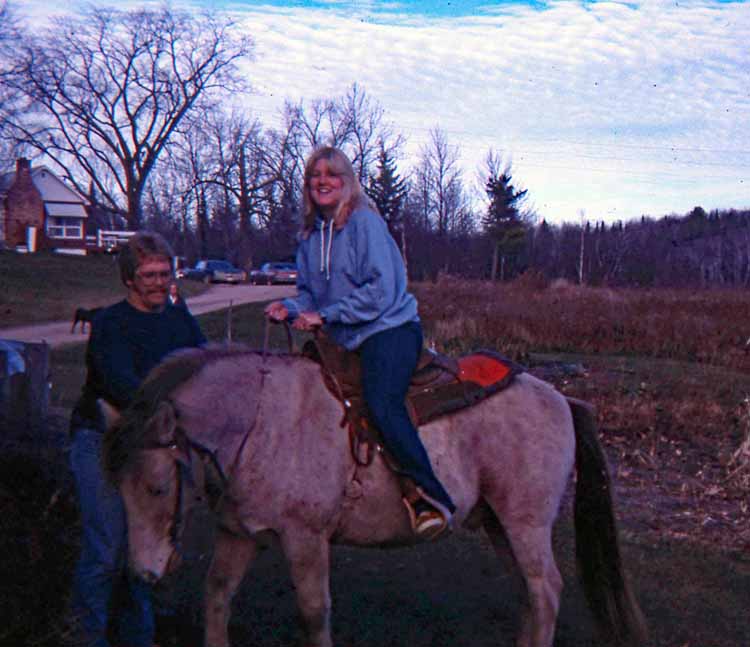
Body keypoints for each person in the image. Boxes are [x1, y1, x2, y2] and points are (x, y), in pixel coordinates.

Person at [265, 146, 455, 540]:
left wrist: (327, 316)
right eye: (315, 174)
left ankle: (428, 495)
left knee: (382, 402)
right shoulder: (309, 236)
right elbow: (309, 296)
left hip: (388, 329)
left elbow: (381, 291)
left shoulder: (365, 223)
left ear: (347, 182)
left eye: (332, 174)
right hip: (345, 335)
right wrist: (289, 305)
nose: (322, 181)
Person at [68, 232, 206, 647]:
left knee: (146, 553)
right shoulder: (110, 323)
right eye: (149, 275)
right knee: (107, 548)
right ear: (129, 279)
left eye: (165, 273)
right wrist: (168, 405)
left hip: (157, 445)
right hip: (104, 439)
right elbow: (120, 384)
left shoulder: (179, 319)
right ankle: (88, 634)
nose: (159, 283)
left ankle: (141, 636)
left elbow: (203, 363)